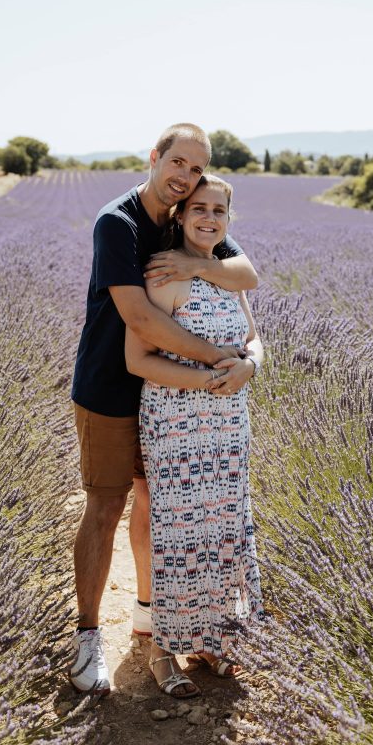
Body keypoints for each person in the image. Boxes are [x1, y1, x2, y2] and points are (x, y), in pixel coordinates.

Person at [69, 124, 258, 696]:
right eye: (177, 163)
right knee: (106, 507)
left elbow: (246, 274)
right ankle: (86, 640)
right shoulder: (118, 223)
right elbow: (143, 323)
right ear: (154, 158)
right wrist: (223, 363)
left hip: (168, 401)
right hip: (110, 387)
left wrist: (200, 268)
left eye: (196, 169)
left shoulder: (188, 217)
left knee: (163, 509)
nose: (185, 177)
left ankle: (154, 619)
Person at [125, 174, 264, 699]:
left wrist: (251, 367)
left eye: (219, 211)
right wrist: (211, 378)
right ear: (180, 215)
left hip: (228, 423)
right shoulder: (163, 275)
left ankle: (209, 637)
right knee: (176, 535)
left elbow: (253, 337)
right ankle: (160, 648)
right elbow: (138, 360)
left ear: (229, 221)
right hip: (177, 421)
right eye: (199, 208)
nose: (209, 218)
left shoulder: (229, 272)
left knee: (220, 530)